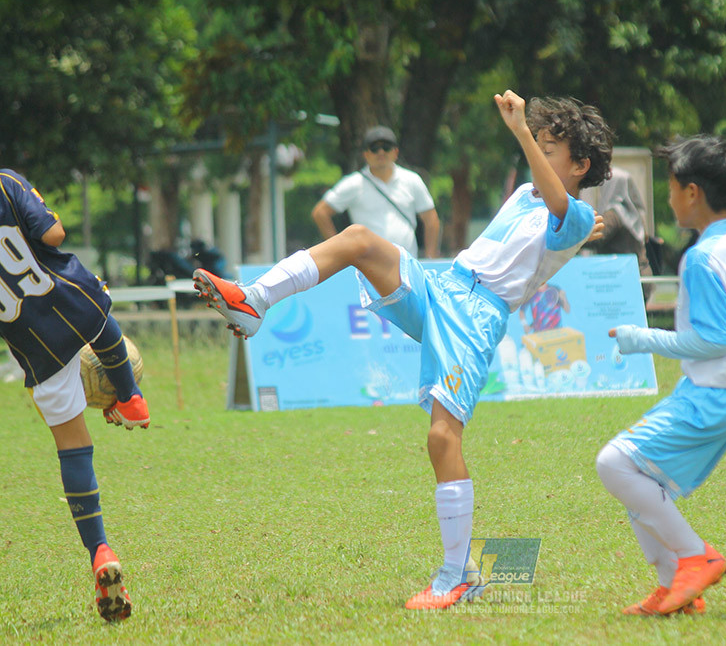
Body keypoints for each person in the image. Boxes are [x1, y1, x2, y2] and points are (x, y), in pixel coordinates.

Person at [193, 90, 613, 610]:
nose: (537, 154)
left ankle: (456, 575)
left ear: (581, 165)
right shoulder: (534, 194)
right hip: (447, 285)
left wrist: (524, 131)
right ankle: (253, 302)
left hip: (476, 318)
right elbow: (547, 196)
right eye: (540, 145)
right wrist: (534, 144)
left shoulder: (571, 214)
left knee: (441, 439)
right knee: (358, 239)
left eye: (550, 150)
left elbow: (564, 211)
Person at [595, 135, 726, 616]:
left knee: (615, 464)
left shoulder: (701, 258)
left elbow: (711, 341)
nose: (667, 198)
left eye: (670, 187)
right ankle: (678, 590)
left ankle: (696, 558)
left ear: (691, 192)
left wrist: (640, 337)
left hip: (713, 393)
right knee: (641, 479)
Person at [0, 168, 150, 622]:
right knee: (97, 312)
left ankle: (100, 550)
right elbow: (53, 231)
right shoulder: (5, 181)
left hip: (30, 342)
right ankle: (129, 395)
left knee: (72, 448)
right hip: (61, 299)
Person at [311, 125, 441, 258]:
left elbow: (431, 219)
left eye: (386, 147)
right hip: (367, 267)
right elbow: (320, 212)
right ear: (366, 154)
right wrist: (339, 252)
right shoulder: (353, 183)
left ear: (395, 152)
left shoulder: (412, 180)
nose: (381, 153)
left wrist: (430, 258)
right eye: (374, 148)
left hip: (406, 264)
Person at [584, 166, 655, 300]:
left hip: (623, 279)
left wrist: (571, 237)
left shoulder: (615, 213)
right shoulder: (634, 213)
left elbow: (597, 238)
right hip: (639, 274)